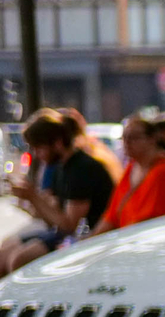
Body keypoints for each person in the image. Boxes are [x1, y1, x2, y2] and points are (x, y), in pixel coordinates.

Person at [2, 109, 117, 272]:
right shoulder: (60, 167)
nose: (36, 154)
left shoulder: (82, 168)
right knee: (4, 251)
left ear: (57, 143)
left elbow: (69, 225)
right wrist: (29, 200)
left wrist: (33, 196)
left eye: (39, 147)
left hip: (87, 236)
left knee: (18, 260)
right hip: (64, 233)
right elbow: (52, 219)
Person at [96, 113, 165, 232]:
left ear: (152, 139)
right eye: (124, 138)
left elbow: (150, 221)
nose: (127, 143)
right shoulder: (131, 169)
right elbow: (111, 216)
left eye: (134, 137)